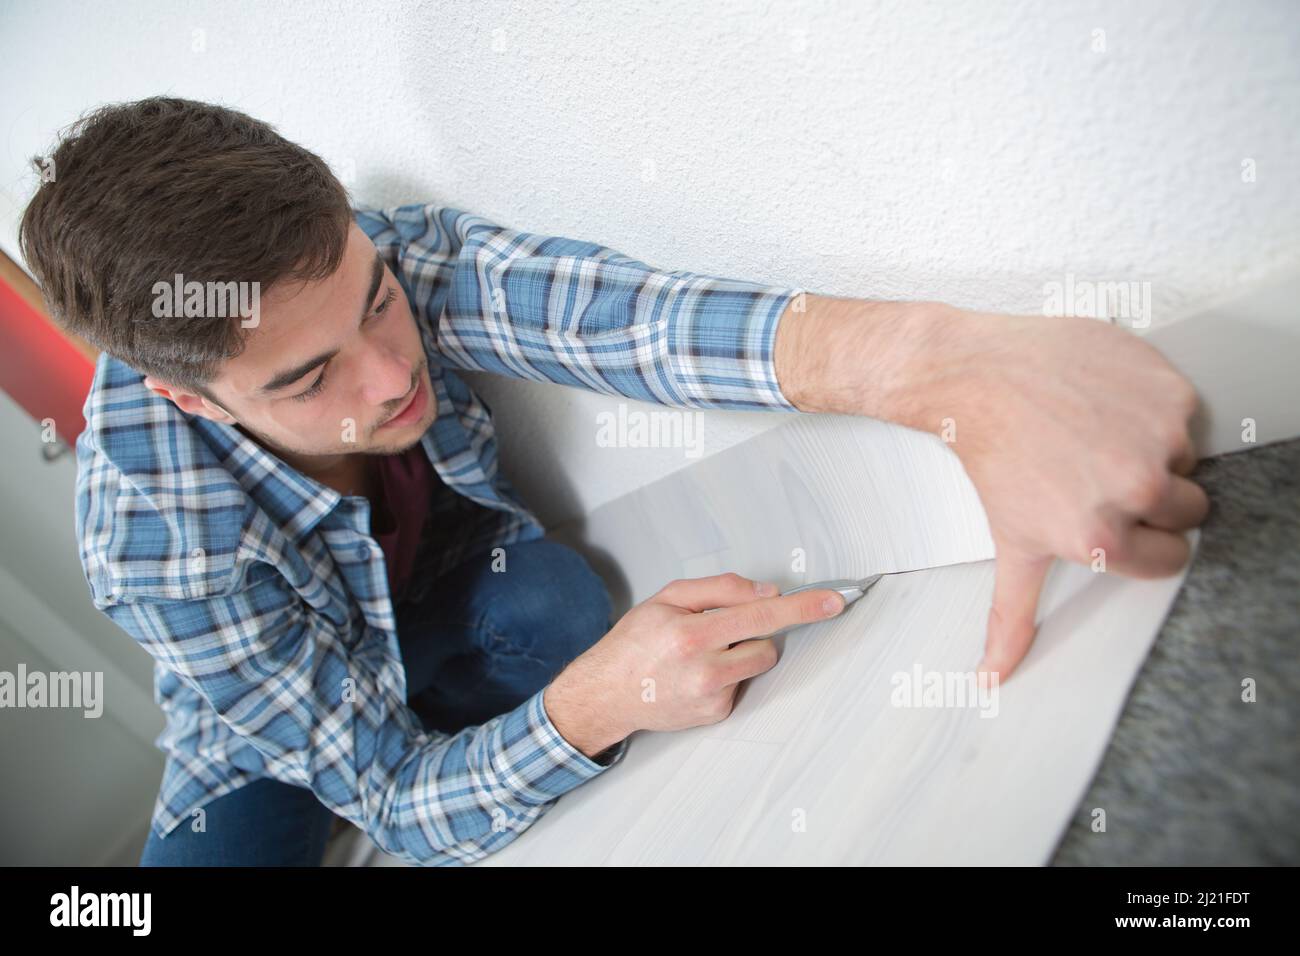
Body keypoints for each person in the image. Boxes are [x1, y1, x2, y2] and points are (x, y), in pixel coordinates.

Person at [18, 96, 1206, 866]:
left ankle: (446, 710)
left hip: (442, 596)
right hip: (259, 720)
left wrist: (956, 364)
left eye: (379, 297)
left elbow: (629, 320)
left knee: (555, 610)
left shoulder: (364, 251)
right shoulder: (153, 534)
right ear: (191, 395)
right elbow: (395, 808)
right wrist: (594, 708)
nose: (391, 377)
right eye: (312, 375)